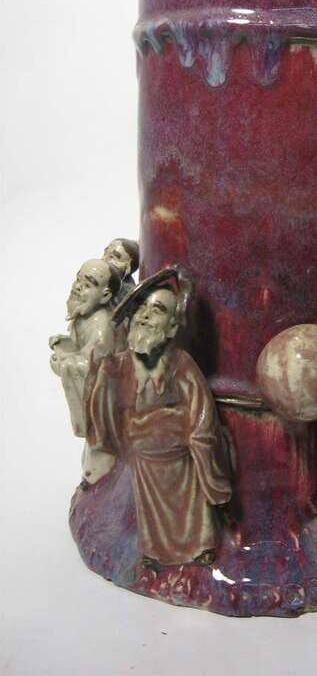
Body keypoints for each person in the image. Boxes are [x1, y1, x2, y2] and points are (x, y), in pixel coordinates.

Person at [85, 271, 232, 569]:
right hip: (144, 457)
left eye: (158, 310)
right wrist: (103, 374)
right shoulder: (119, 366)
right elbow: (105, 412)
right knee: (150, 508)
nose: (145, 316)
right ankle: (154, 552)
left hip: (181, 457)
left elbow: (201, 411)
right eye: (141, 308)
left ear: (172, 327)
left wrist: (199, 445)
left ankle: (200, 545)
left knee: (190, 506)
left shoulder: (181, 364)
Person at [49, 259, 121, 486]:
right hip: (94, 405)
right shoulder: (83, 317)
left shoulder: (101, 326)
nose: (78, 286)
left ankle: (99, 481)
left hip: (104, 407)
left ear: (105, 295)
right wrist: (65, 345)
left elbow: (90, 363)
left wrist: (65, 361)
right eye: (78, 279)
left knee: (98, 452)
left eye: (88, 284)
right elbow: (80, 347)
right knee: (90, 452)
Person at [102, 238, 139, 303]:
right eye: (106, 252)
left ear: (128, 268)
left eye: (114, 256)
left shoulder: (126, 294)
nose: (104, 259)